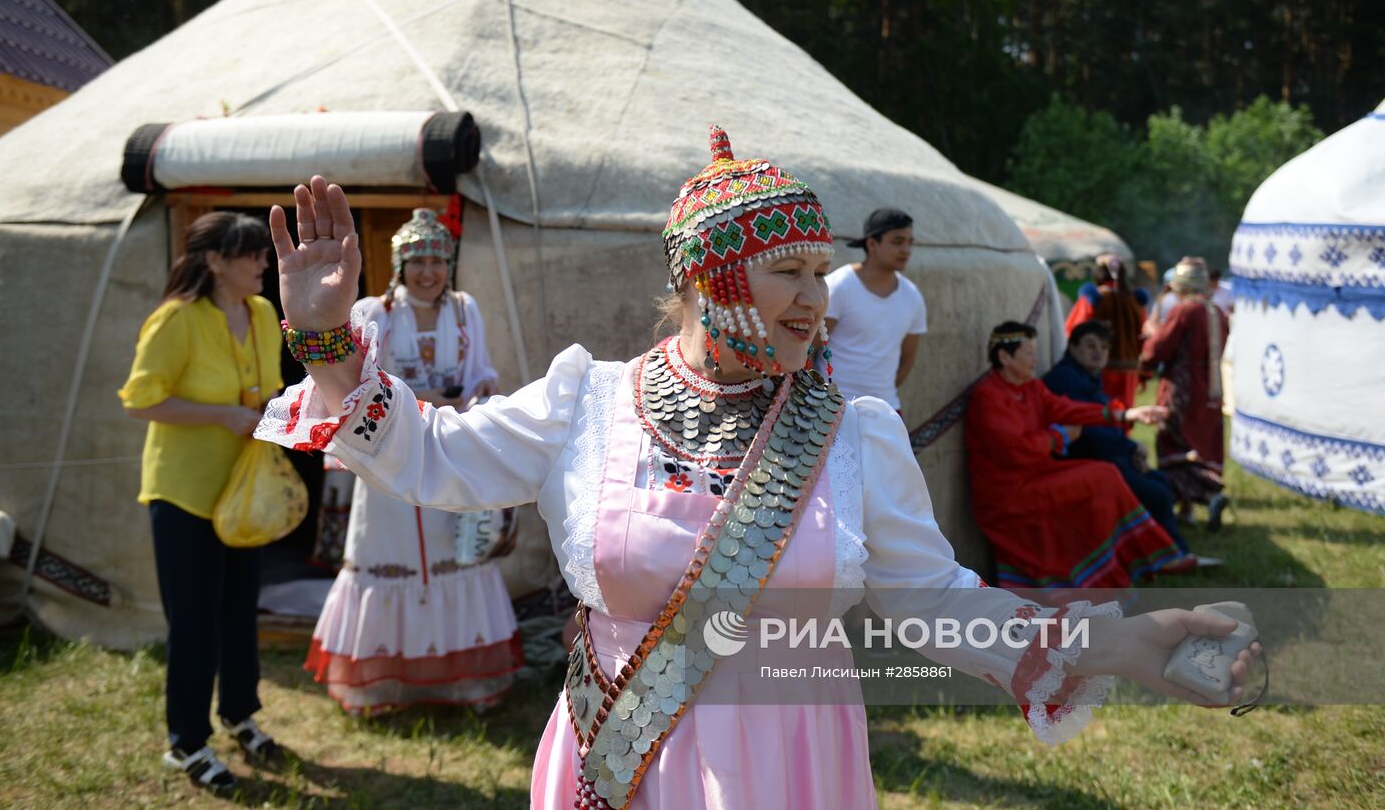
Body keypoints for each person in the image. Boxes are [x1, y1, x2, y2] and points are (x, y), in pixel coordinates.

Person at [257, 129, 1256, 809]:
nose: (813, 300)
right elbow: (429, 458)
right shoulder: (586, 401)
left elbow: (931, 598)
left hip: (791, 757)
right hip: (620, 751)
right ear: (705, 277)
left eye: (815, 274)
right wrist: (321, 335)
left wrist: (1121, 642)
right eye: (785, 272)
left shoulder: (850, 431)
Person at [306, 208, 522, 714]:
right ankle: (380, 686)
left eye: (438, 261)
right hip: (387, 449)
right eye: (418, 260)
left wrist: (481, 388)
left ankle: (464, 684)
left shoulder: (465, 310)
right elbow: (359, 383)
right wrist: (423, 395)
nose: (429, 271)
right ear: (400, 265)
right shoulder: (372, 312)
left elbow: (479, 370)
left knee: (456, 552)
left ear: (450, 264)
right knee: (391, 556)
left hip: (448, 444)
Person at [119, 212, 285, 793]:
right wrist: (222, 415)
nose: (263, 263)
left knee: (241, 612)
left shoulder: (264, 314)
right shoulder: (175, 320)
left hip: (245, 491)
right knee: (193, 624)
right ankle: (186, 743)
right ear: (215, 260)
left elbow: (267, 391)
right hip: (184, 495)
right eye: (251, 254)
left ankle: (239, 714)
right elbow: (140, 402)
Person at [965, 321, 1183, 589]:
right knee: (1102, 478)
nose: (1036, 359)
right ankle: (1132, 559)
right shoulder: (988, 397)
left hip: (1035, 474)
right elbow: (1017, 451)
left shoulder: (1031, 388)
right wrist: (1060, 437)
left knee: (1106, 475)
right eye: (1029, 353)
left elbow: (1066, 409)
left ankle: (1115, 565)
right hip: (1008, 491)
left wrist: (1124, 414)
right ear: (1004, 357)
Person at [1043, 321, 1220, 570]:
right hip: (1081, 457)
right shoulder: (1066, 379)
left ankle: (1166, 551)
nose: (1098, 353)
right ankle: (1169, 556)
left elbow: (1102, 423)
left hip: (1102, 453)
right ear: (1071, 347)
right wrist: (1129, 448)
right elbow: (1087, 430)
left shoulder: (1086, 377)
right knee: (1154, 493)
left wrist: (1131, 446)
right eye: (1090, 346)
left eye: (1104, 347)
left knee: (1159, 482)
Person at [1140, 257, 1231, 530]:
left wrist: (1149, 341)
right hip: (1210, 389)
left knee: (1175, 442)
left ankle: (1205, 497)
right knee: (1200, 444)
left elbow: (1160, 349)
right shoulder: (1218, 312)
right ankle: (1191, 507)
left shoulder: (1184, 311)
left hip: (1183, 389)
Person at [824, 208, 927, 418]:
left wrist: (878, 397)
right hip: (833, 408)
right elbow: (811, 349)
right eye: (897, 242)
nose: (906, 249)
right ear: (872, 244)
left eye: (910, 242)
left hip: (886, 410)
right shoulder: (840, 286)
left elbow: (907, 360)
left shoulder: (912, 296)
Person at [1061, 255, 1146, 413]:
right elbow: (1144, 336)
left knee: (1101, 411)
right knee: (1125, 412)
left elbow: (1074, 330)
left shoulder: (1094, 299)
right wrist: (1145, 373)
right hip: (1130, 370)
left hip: (1098, 367)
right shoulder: (1135, 302)